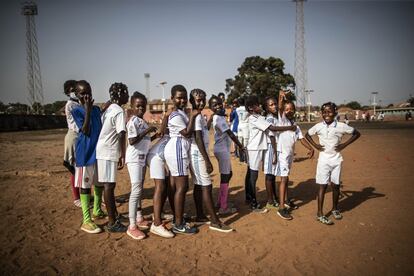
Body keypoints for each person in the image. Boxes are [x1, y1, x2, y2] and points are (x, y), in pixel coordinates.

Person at [305, 102, 361, 225]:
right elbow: (307, 134)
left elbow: (357, 133)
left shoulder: (341, 126)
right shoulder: (318, 126)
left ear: (335, 113)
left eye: (329, 112)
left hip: (336, 160)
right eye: (324, 112)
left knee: (335, 185)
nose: (327, 114)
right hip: (323, 160)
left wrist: (344, 144)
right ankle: (320, 214)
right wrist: (315, 146)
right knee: (323, 186)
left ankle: (335, 209)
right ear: (321, 114)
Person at [189, 89, 233, 232]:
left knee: (198, 185)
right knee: (206, 186)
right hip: (198, 155)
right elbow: (198, 139)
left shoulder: (200, 116)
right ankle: (215, 221)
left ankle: (200, 215)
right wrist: (207, 160)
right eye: (198, 100)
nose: (201, 102)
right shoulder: (196, 117)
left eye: (203, 100)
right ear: (192, 101)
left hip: (199, 155)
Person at [244, 95, 296, 211]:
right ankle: (253, 202)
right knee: (254, 175)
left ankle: (251, 198)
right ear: (251, 108)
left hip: (259, 148)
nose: (260, 106)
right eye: (257, 104)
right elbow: (272, 129)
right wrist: (289, 127)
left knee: (256, 174)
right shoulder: (254, 118)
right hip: (255, 149)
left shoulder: (259, 117)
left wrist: (281, 99)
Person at [164, 84, 200, 235]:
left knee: (174, 186)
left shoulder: (180, 113)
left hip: (177, 149)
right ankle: (178, 224)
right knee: (182, 187)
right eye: (179, 97)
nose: (182, 100)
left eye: (184, 97)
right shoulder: (176, 115)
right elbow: (186, 132)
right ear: (172, 98)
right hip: (177, 149)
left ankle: (177, 217)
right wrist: (192, 116)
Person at [71, 80, 105, 234]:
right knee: (85, 186)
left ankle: (97, 210)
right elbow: (85, 130)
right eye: (82, 93)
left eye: (88, 92)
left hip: (98, 152)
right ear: (77, 95)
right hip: (85, 153)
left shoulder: (97, 110)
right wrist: (87, 110)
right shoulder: (76, 110)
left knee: (99, 182)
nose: (86, 95)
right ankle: (86, 220)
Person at [275, 91, 314, 220]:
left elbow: (301, 139)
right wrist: (280, 96)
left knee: (286, 178)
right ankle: (281, 208)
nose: (289, 111)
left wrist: (310, 148)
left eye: (292, 109)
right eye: (287, 109)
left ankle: (286, 200)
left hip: (290, 154)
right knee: (284, 179)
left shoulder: (295, 126)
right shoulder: (282, 120)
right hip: (282, 154)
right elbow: (280, 107)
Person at [96, 82, 129, 233]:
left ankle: (114, 214)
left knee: (109, 185)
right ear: (120, 95)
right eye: (126, 93)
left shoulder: (108, 109)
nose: (127, 96)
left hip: (103, 150)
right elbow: (121, 133)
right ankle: (112, 222)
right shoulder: (119, 111)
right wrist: (123, 153)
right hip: (108, 151)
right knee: (109, 186)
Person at [125, 92, 158, 240]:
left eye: (143, 106)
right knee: (136, 190)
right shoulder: (133, 121)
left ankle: (139, 217)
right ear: (132, 106)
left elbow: (145, 140)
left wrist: (156, 136)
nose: (140, 108)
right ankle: (132, 226)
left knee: (139, 189)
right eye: (138, 106)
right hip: (134, 159)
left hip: (141, 158)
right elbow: (132, 141)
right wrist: (147, 130)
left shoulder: (142, 121)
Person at [209, 95, 245, 215]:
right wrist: (240, 146)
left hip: (222, 149)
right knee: (226, 176)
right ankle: (223, 206)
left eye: (219, 103)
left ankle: (220, 201)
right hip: (222, 150)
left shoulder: (218, 117)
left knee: (228, 174)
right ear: (211, 108)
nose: (218, 106)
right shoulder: (218, 119)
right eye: (215, 105)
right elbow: (230, 133)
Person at [147, 109, 175, 238]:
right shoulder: (168, 130)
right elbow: (161, 131)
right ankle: (156, 224)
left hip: (161, 158)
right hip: (155, 157)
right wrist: (166, 116)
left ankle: (160, 213)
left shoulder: (176, 131)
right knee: (160, 186)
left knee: (166, 186)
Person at [62, 80, 81, 208]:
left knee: (82, 168)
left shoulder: (78, 103)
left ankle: (84, 195)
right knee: (74, 169)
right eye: (73, 89)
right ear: (68, 92)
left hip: (80, 137)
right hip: (73, 137)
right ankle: (76, 198)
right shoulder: (71, 105)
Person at [262, 96, 280, 211]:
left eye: (275, 104)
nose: (274, 106)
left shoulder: (274, 117)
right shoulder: (269, 119)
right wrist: (274, 153)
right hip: (270, 148)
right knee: (269, 175)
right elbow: (272, 136)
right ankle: (270, 201)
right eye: (271, 105)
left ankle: (274, 197)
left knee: (272, 175)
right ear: (267, 108)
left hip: (274, 148)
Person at [236, 97, 249, 162]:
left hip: (239, 125)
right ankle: (246, 159)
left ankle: (241, 158)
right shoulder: (246, 109)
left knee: (240, 143)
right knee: (246, 142)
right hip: (245, 125)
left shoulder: (237, 109)